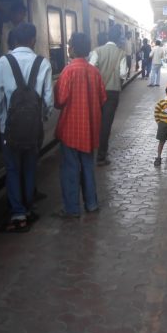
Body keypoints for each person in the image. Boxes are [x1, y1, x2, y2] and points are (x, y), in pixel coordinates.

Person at [0, 22, 53, 232]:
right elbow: (48, 100)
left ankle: (17, 213)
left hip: (8, 129)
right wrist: (41, 118)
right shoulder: (43, 63)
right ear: (33, 40)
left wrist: (1, 118)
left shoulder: (3, 62)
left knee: (12, 169)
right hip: (34, 128)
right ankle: (27, 208)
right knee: (29, 168)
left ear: (15, 40)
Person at [54, 32, 106, 218]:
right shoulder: (94, 72)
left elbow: (59, 100)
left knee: (70, 170)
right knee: (88, 168)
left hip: (70, 130)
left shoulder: (68, 71)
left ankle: (72, 208)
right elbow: (102, 99)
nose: (68, 48)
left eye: (69, 45)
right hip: (89, 130)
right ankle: (91, 204)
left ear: (73, 49)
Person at [90, 25, 128, 166]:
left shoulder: (97, 51)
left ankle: (90, 150)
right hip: (112, 93)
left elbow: (91, 68)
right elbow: (123, 74)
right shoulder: (121, 53)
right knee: (106, 124)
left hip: (97, 92)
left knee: (95, 121)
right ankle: (101, 155)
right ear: (118, 38)